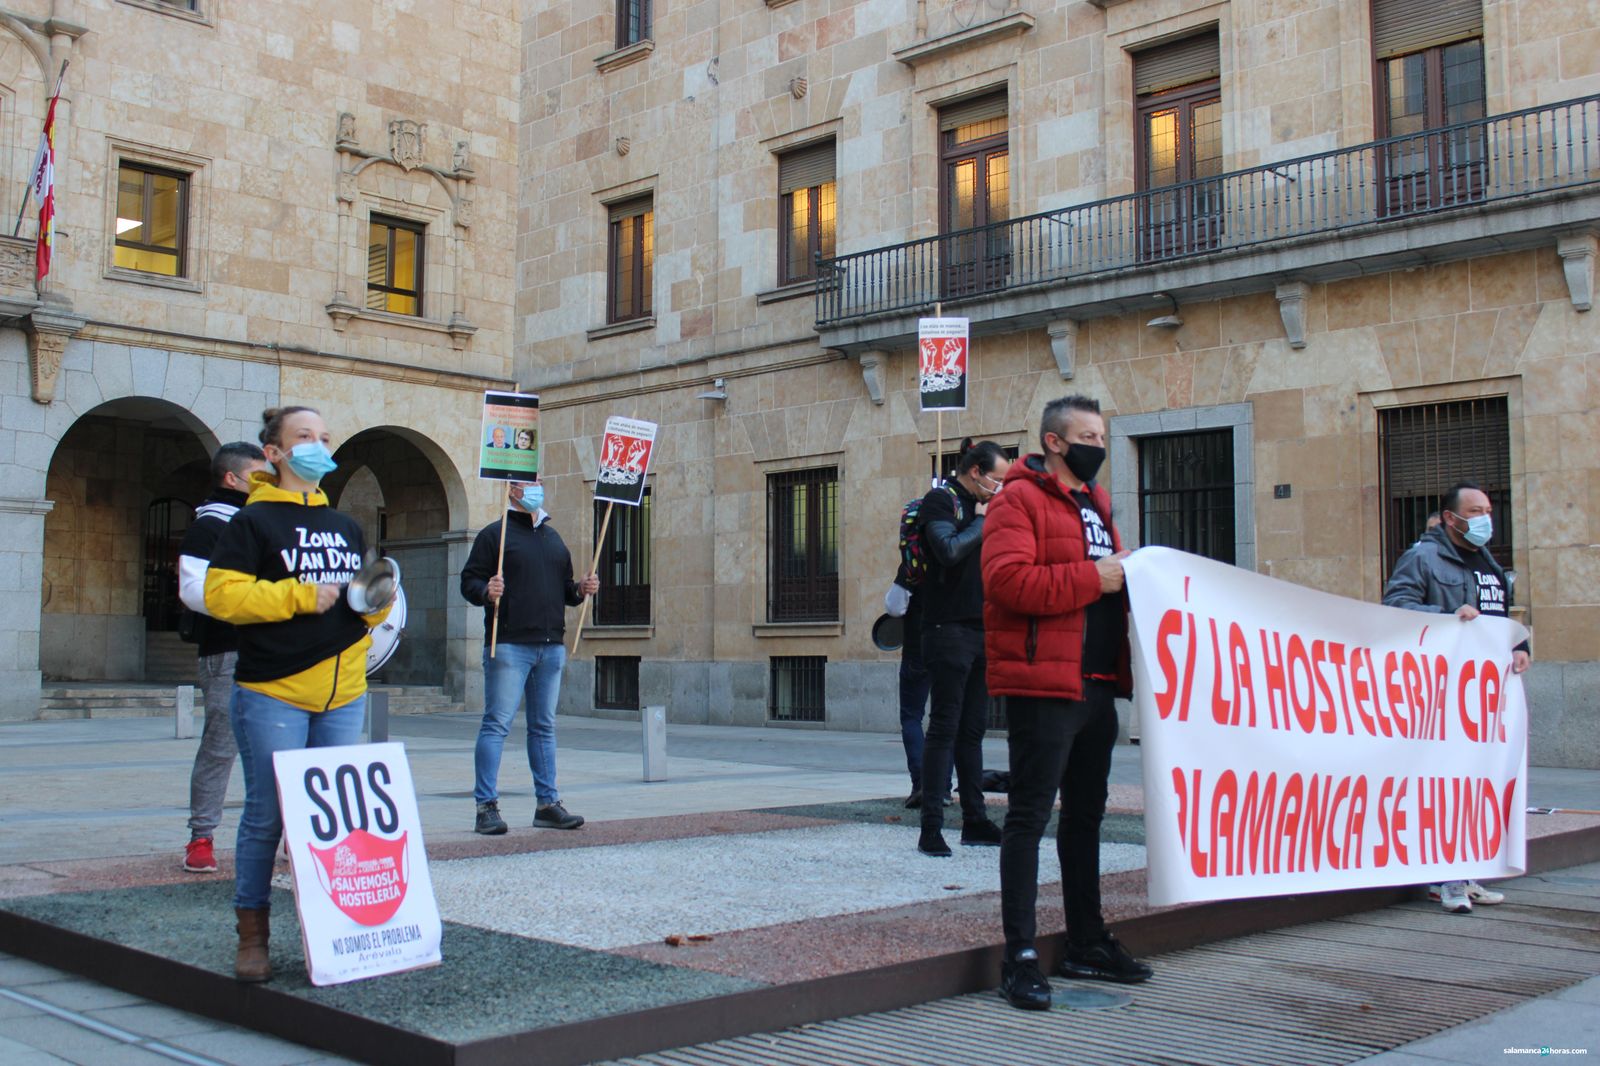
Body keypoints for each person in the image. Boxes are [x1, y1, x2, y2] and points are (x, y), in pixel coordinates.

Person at [205, 407, 393, 982]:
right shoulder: (252, 523)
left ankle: (338, 932)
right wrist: (295, 596)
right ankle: (252, 935)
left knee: (338, 822)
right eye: (303, 437)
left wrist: (376, 603)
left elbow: (360, 601)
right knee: (268, 814)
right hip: (274, 690)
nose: (318, 445)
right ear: (276, 454)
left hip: (344, 689)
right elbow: (221, 596)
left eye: (324, 437)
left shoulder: (345, 525)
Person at [983, 395, 1150, 1012]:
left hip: (1098, 684)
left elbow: (1109, 579)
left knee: (1086, 818)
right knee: (1028, 818)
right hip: (1045, 686)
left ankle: (1086, 940)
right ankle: (1020, 955)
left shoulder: (1097, 504)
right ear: (1055, 442)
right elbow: (1005, 583)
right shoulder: (1017, 498)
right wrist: (1096, 577)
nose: (1099, 446)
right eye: (1087, 435)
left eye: (1103, 436)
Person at [1384, 480, 1528, 915]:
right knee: (1447, 783)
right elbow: (1396, 605)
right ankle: (1446, 879)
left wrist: (1519, 648)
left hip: (1484, 696)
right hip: (1441, 695)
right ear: (1450, 517)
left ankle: (1466, 872)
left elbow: (1499, 616)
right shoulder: (1422, 557)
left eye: (1488, 509)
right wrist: (1446, 617)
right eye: (1477, 510)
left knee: (1477, 783)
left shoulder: (1486, 561)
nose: (1486, 517)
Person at [460, 478, 599, 835]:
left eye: (537, 480)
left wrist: (580, 590)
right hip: (508, 644)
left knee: (543, 727)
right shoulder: (494, 535)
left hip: (551, 645)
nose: (535, 486)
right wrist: (485, 590)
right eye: (526, 482)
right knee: (497, 724)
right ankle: (486, 807)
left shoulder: (553, 539)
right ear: (511, 489)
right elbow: (469, 582)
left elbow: (565, 590)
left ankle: (547, 804)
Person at [175, 441, 268, 874]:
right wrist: (259, 601)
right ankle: (202, 836)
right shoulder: (209, 525)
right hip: (227, 648)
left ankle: (286, 835)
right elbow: (193, 591)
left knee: (280, 747)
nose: (266, 481)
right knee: (220, 745)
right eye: (257, 474)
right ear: (232, 478)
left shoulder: (264, 521)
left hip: (274, 649)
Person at [916, 438, 1010, 857]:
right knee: (944, 728)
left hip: (981, 629)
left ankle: (976, 820)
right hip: (947, 629)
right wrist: (983, 521)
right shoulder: (941, 500)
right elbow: (948, 551)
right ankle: (931, 827)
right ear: (976, 471)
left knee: (972, 732)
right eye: (997, 479)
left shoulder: (984, 508)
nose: (1000, 487)